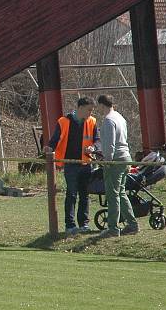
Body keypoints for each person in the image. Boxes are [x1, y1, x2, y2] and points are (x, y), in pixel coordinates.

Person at [44, 97, 99, 235]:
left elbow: (97, 140)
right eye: (89, 110)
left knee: (84, 195)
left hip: (86, 163)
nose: (90, 113)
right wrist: (49, 148)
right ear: (80, 108)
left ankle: (84, 224)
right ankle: (70, 225)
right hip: (70, 164)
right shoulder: (63, 121)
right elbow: (54, 140)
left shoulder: (92, 122)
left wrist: (94, 147)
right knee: (72, 194)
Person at [96, 95, 138, 237]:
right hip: (126, 158)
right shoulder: (120, 117)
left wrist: (106, 161)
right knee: (121, 193)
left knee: (112, 194)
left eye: (99, 106)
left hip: (115, 161)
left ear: (102, 105)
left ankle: (113, 228)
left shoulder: (108, 120)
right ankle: (132, 225)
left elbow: (109, 144)